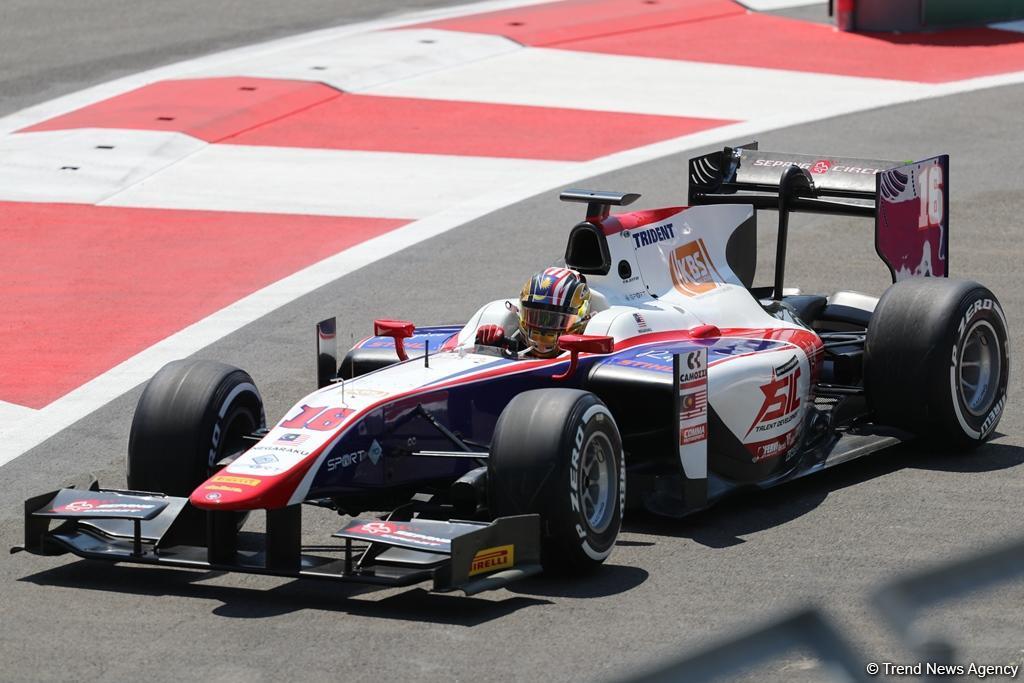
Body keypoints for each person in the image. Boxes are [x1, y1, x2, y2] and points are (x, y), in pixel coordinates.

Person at [475, 267, 592, 358]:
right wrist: (488, 346)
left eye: (555, 320)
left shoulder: (591, 356)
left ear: (582, 317)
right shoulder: (512, 346)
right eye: (535, 316)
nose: (542, 327)